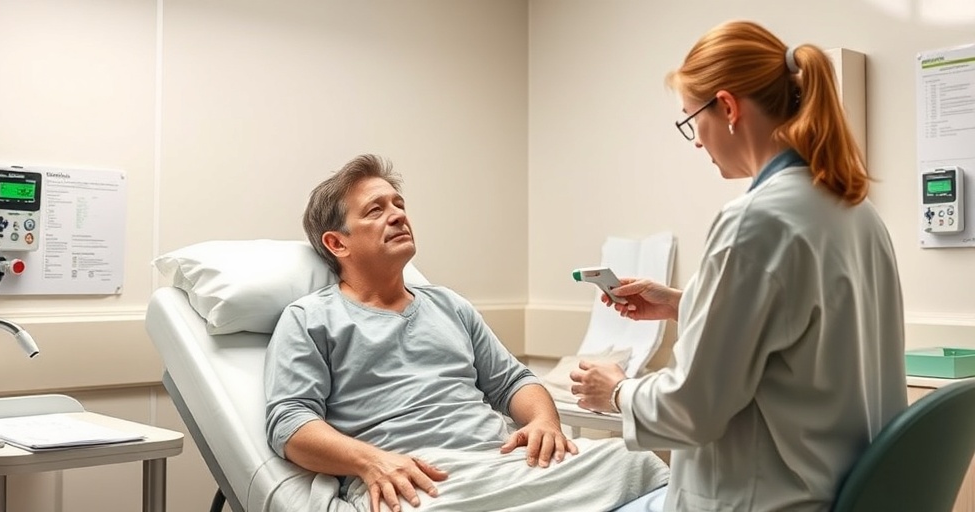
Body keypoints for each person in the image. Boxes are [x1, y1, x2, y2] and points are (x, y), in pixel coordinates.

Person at [570, 20, 907, 511]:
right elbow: (805, 332)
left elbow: (692, 410)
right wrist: (684, 304)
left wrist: (617, 391)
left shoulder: (754, 220)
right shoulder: (855, 211)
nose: (697, 142)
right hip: (838, 490)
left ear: (726, 108)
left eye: (692, 121)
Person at [264, 154, 669, 512]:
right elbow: (290, 422)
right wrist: (370, 462)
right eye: (375, 210)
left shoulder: (449, 305)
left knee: (633, 462)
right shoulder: (310, 318)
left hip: (504, 461)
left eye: (399, 204)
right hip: (421, 477)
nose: (398, 215)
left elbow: (514, 382)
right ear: (337, 243)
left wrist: (545, 422)